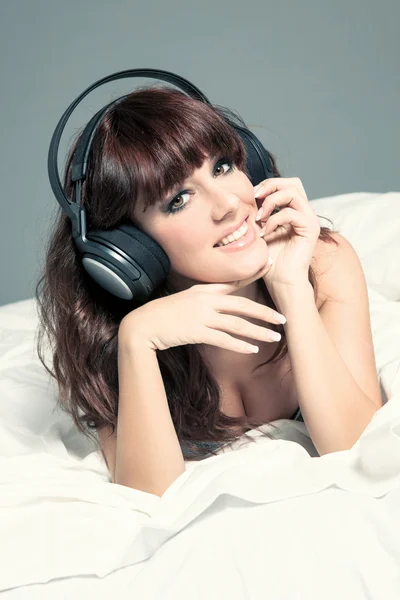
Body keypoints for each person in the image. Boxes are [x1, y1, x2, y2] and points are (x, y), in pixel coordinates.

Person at [36, 86, 383, 497]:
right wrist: (136, 342)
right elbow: (147, 497)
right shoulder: (110, 330)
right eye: (179, 199)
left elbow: (359, 450)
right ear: (127, 247)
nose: (229, 205)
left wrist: (291, 290)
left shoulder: (323, 265)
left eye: (221, 168)